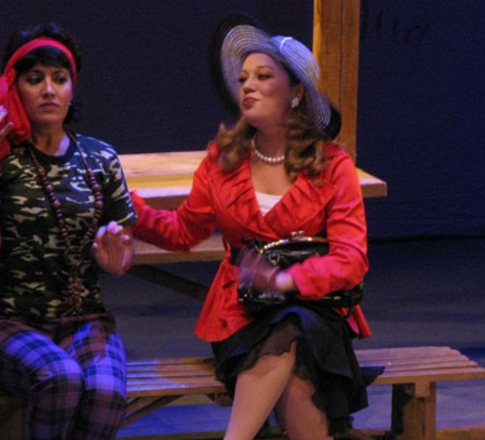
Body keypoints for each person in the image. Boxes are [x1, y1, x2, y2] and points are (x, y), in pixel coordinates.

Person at [130, 14, 374, 440]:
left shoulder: (333, 166)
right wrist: (126, 210)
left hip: (316, 308)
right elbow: (183, 231)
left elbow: (351, 260)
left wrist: (286, 280)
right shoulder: (223, 161)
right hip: (241, 313)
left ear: (296, 92)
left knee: (296, 329)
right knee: (292, 342)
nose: (247, 86)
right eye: (244, 78)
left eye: (263, 76)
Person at [0, 23, 136, 440]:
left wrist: (117, 259)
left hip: (85, 321)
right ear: (15, 89)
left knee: (105, 393)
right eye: (35, 79)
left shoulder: (100, 158)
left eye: (59, 79)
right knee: (61, 377)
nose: (49, 90)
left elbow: (122, 255)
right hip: (4, 323)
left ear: (72, 89)